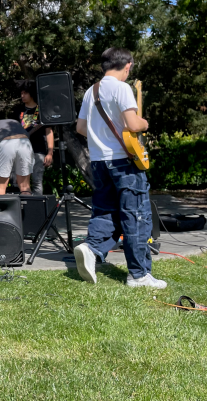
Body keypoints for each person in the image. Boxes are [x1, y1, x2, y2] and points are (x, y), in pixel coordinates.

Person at [73, 47, 166, 289]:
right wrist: (144, 123)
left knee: (105, 211)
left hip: (98, 162)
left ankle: (91, 248)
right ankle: (139, 275)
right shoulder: (122, 88)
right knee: (135, 215)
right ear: (127, 66)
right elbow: (133, 123)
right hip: (124, 162)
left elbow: (81, 128)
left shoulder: (90, 91)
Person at [14, 81, 54, 194]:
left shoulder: (41, 110)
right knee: (19, 183)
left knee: (37, 181)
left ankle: (38, 209)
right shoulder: (18, 110)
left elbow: (49, 132)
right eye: (21, 93)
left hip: (38, 150)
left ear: (32, 93)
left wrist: (50, 152)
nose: (22, 96)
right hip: (20, 150)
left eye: (25, 93)